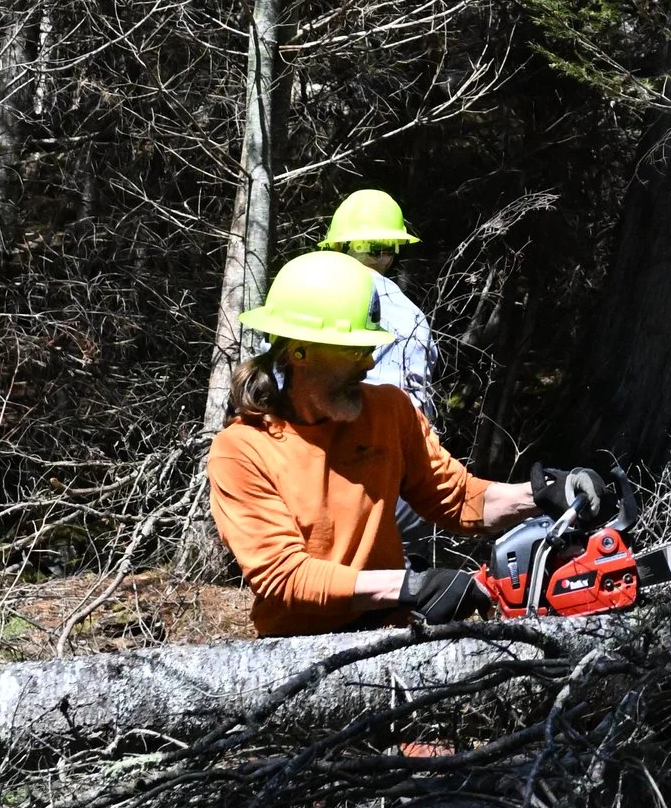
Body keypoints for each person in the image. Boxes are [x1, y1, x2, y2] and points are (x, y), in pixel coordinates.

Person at [208, 249, 613, 640]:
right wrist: (411, 586)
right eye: (355, 350)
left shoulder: (388, 411)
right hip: (298, 647)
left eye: (370, 349)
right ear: (299, 351)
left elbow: (458, 498)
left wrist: (541, 493)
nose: (368, 363)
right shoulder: (243, 450)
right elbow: (285, 575)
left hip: (393, 632)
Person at [322, 186, 436, 414]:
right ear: (391, 253)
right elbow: (418, 407)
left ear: (337, 245)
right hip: (390, 441)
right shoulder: (413, 317)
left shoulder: (307, 292)